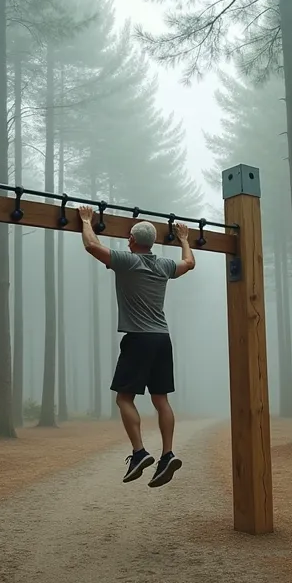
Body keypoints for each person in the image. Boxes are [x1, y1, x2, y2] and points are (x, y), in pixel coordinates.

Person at [77, 205, 196, 487]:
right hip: (162, 338)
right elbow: (189, 263)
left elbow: (92, 246)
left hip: (138, 338)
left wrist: (86, 221)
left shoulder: (127, 261)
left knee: (124, 398)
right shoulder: (164, 265)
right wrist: (184, 239)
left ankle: (140, 452)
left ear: (131, 240)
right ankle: (167, 454)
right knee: (161, 400)